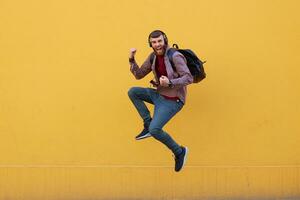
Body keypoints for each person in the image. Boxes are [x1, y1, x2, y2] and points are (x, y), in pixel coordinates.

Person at [127, 30, 193, 172]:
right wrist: (131, 59)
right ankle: (147, 123)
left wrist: (170, 82)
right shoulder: (153, 57)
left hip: (173, 100)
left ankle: (179, 151)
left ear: (165, 40)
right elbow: (138, 75)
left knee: (155, 130)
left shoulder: (175, 56)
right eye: (154, 42)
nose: (157, 45)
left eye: (160, 41)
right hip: (158, 95)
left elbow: (188, 78)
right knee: (133, 92)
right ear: (150, 44)